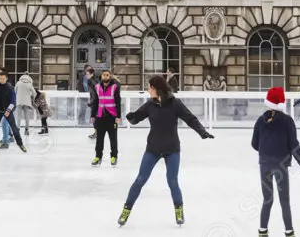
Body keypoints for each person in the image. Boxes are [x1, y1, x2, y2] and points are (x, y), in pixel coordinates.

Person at [117, 75, 214, 228]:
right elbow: (137, 118)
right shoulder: (150, 105)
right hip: (153, 148)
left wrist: (202, 132)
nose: (148, 90)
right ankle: (126, 210)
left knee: (173, 182)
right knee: (140, 179)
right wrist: (130, 117)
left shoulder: (175, 104)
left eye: (150, 87)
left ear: (156, 89)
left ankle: (179, 210)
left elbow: (190, 119)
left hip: (172, 149)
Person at [252, 86, 300, 237]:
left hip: (264, 165)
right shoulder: (287, 121)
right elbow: (294, 146)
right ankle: (289, 232)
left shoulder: (260, 120)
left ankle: (262, 231)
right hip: (280, 166)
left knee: (267, 199)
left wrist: (265, 152)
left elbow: (254, 144)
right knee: (284, 201)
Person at [90, 68, 122, 166]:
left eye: (107, 75)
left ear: (110, 76)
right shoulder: (97, 87)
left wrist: (118, 116)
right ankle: (98, 156)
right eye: (104, 75)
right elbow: (95, 101)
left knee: (113, 138)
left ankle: (114, 156)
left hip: (112, 117)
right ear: (101, 76)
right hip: (100, 116)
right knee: (99, 138)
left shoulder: (115, 87)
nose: (105, 76)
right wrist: (93, 115)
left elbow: (118, 102)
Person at [14, 73, 38, 138]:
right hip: (27, 101)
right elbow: (35, 93)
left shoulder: (18, 83)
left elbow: (15, 92)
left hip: (19, 101)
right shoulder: (29, 84)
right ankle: (26, 130)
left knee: (18, 116)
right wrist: (31, 97)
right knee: (26, 116)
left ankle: (18, 129)